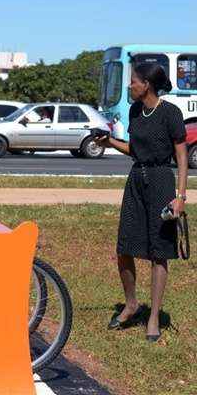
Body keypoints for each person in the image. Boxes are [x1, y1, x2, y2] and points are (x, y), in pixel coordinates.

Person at [96, 62, 188, 342]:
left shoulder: (170, 113)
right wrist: (110, 142)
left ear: (146, 84)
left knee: (159, 252)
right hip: (136, 179)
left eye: (133, 81)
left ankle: (154, 317)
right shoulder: (136, 111)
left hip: (161, 181)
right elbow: (135, 149)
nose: (129, 85)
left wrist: (180, 197)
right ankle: (132, 304)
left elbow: (182, 157)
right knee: (124, 246)